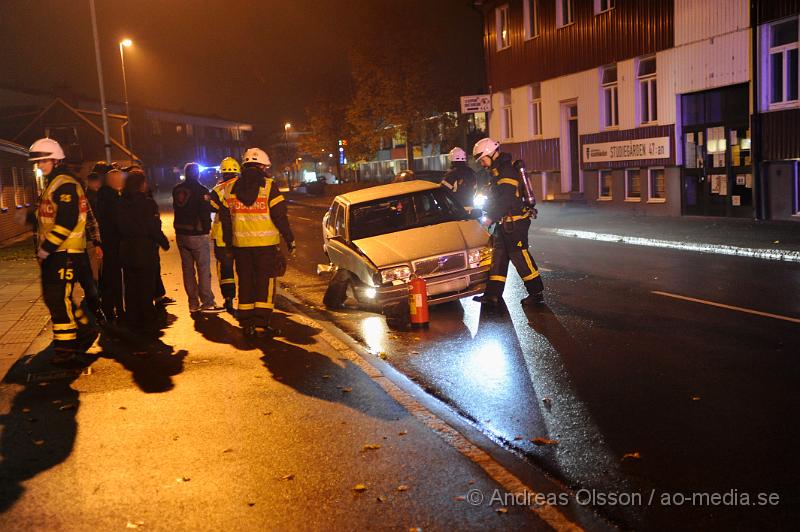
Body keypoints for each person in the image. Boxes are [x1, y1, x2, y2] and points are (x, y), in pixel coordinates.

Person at [219, 148, 295, 337]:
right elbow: (280, 216)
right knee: (265, 283)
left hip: (240, 247)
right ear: (262, 166)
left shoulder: (229, 188)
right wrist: (289, 239)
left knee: (245, 282)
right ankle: (261, 324)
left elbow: (226, 221)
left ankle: (246, 324)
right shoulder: (269, 186)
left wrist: (228, 245)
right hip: (265, 246)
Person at [28, 138, 92, 361]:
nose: (39, 166)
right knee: (57, 298)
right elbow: (48, 215)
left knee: (57, 298)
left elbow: (66, 221)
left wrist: (46, 248)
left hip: (64, 252)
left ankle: (66, 350)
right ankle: (84, 328)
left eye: (42, 161)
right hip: (59, 253)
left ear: (56, 161)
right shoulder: (54, 183)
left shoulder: (64, 184)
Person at [471, 137, 545, 308]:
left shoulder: (506, 172)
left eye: (482, 159)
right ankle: (492, 295)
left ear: (490, 154)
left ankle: (536, 293)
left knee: (520, 257)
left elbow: (507, 200)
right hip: (504, 224)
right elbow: (497, 198)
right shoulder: (497, 172)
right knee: (498, 258)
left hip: (515, 224)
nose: (482, 163)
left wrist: (491, 216)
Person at [117, 171, 170, 330]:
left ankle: (132, 318)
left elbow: (117, 226)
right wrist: (163, 242)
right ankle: (147, 318)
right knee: (146, 286)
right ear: (140, 185)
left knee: (131, 286)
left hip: (126, 250)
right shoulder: (147, 204)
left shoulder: (120, 203)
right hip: (145, 250)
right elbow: (152, 227)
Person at [173, 162, 222, 314]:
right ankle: (207, 302)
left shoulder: (176, 190)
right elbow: (204, 212)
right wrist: (206, 229)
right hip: (197, 234)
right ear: (198, 174)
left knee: (188, 270)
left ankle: (193, 303)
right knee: (203, 269)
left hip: (181, 233)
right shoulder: (201, 190)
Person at [209, 157, 240, 315]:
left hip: (222, 237)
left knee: (226, 270)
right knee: (244, 269)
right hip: (242, 235)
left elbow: (211, 208)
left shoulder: (217, 189)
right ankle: (248, 301)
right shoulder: (243, 186)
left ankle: (228, 299)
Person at [96, 168, 126, 322]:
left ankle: (110, 308)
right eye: (120, 179)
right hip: (113, 243)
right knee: (114, 278)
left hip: (108, 243)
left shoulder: (102, 196)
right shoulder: (113, 199)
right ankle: (116, 309)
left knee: (110, 277)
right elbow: (118, 222)